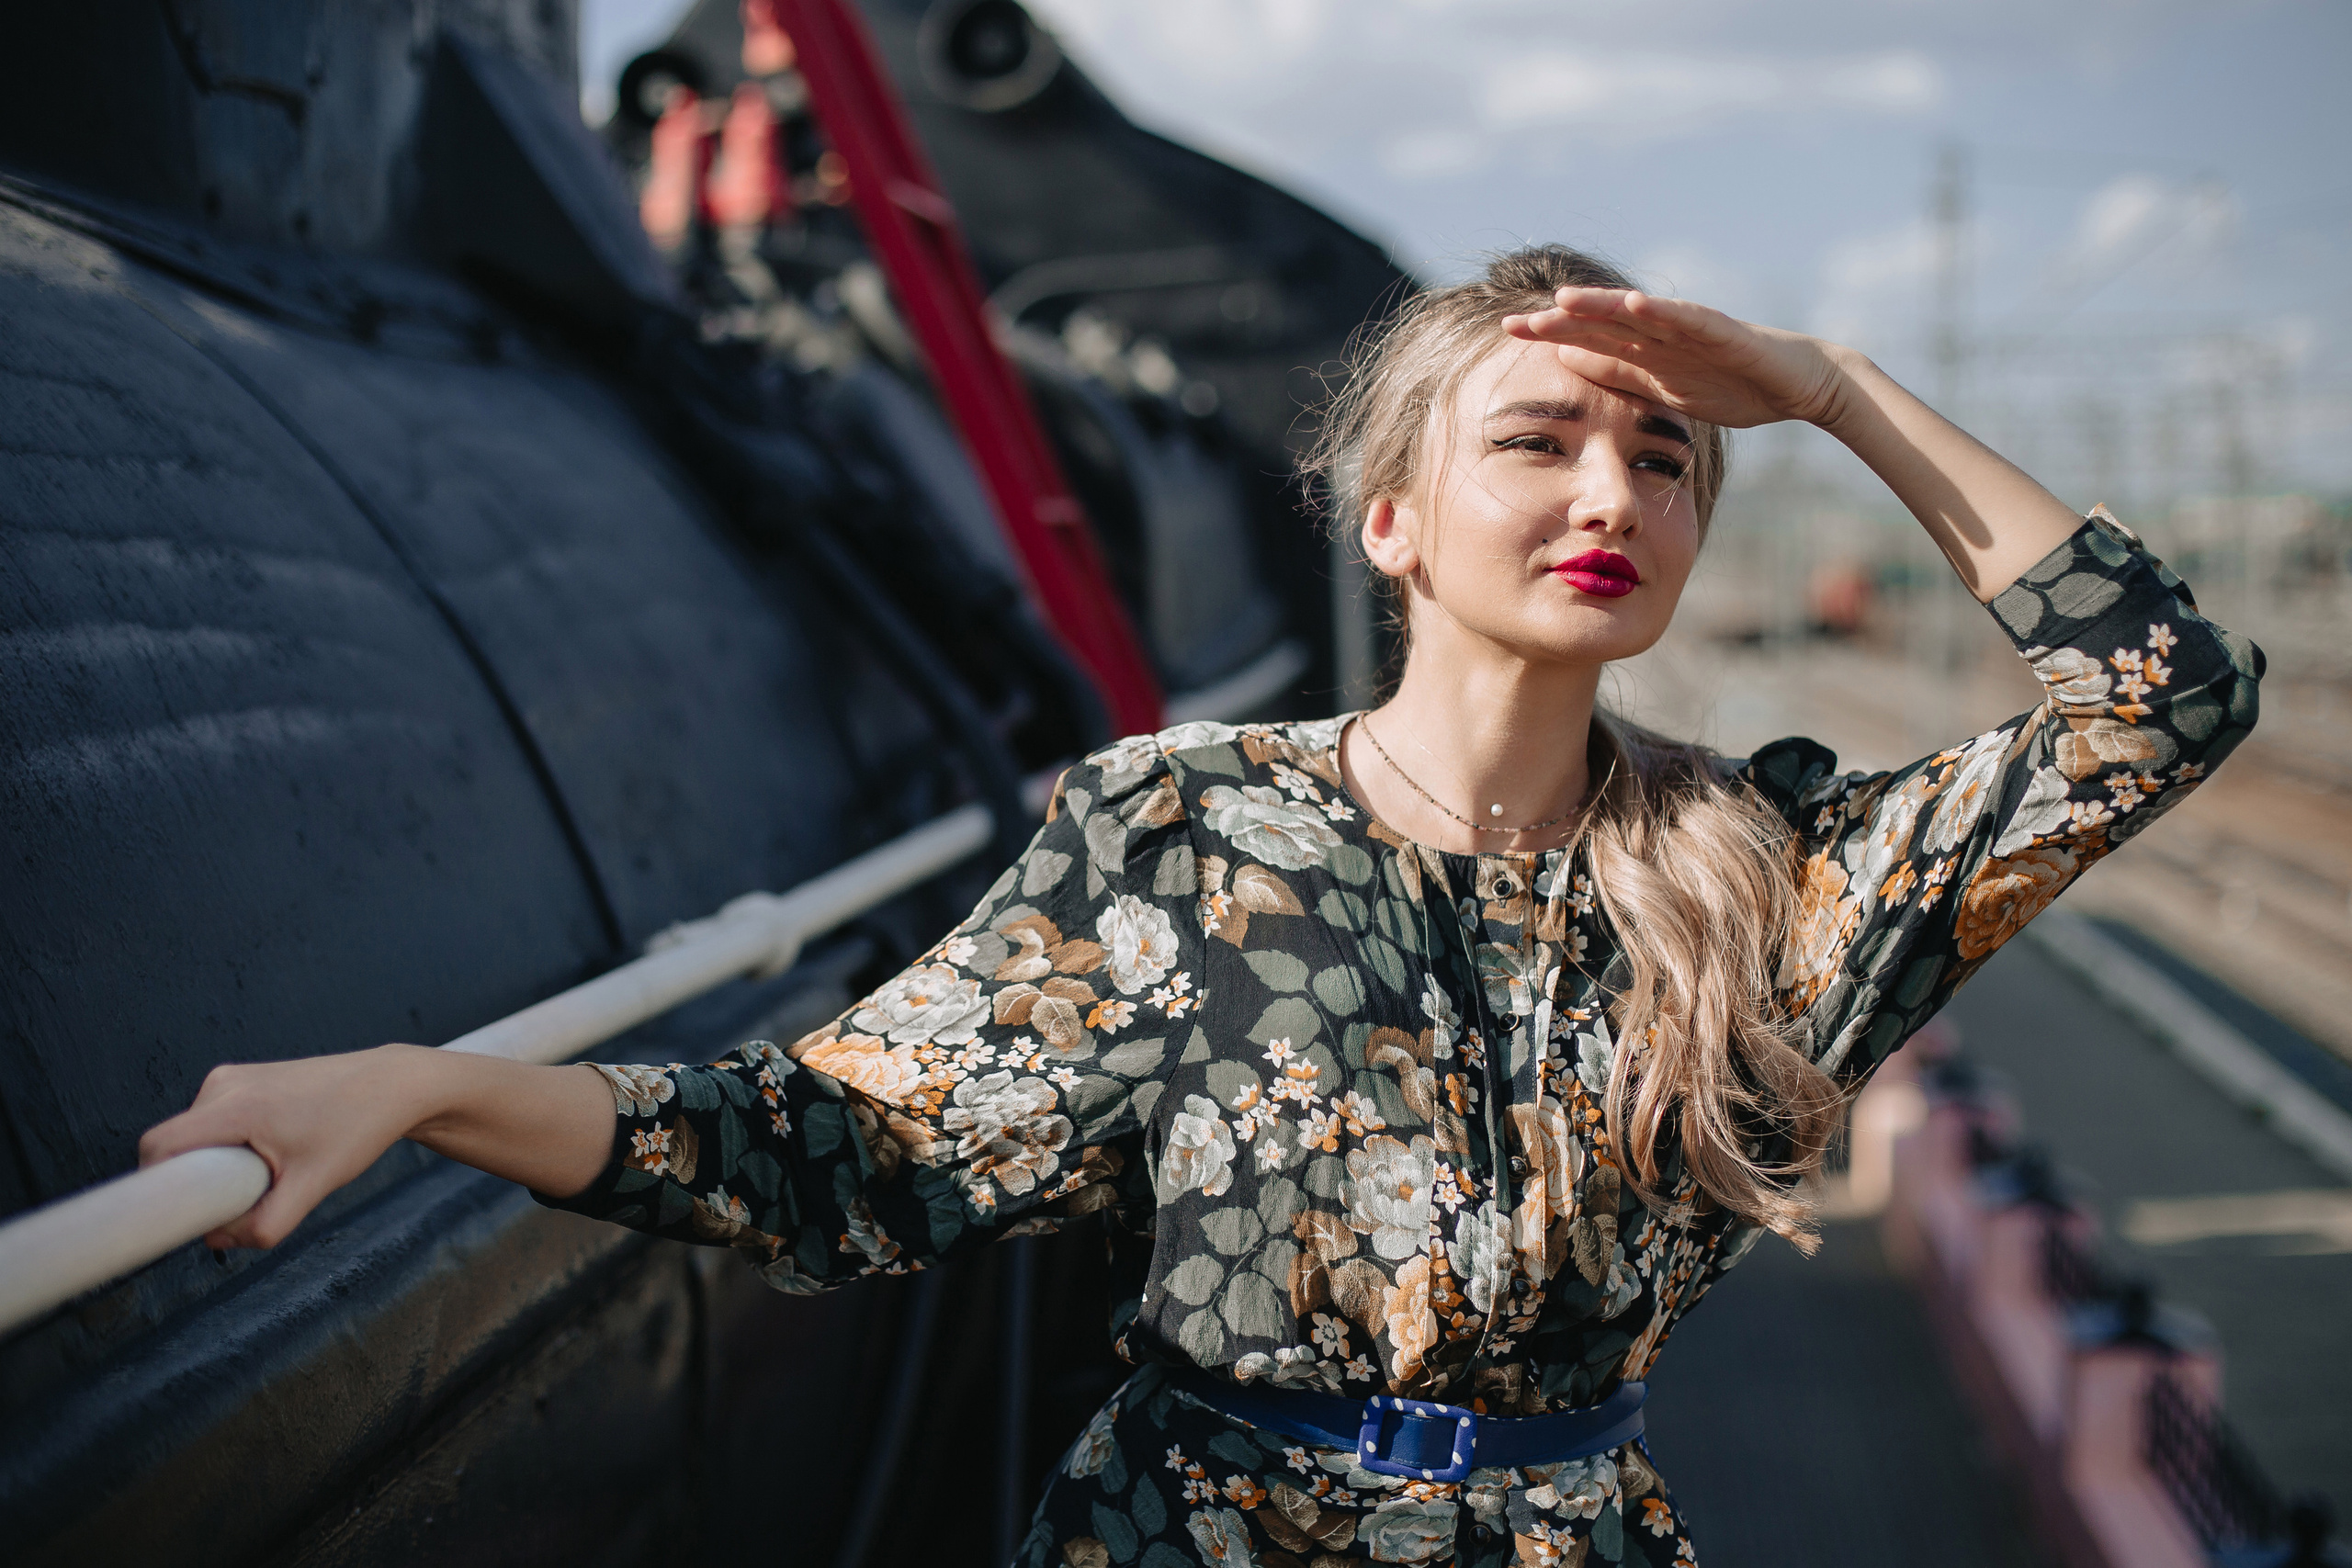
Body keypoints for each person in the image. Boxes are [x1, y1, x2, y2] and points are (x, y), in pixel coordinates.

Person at [140, 246, 2262, 1567]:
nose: (1612, 489)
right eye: (1539, 440)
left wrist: (1823, 387)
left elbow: (2159, 696)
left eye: (1668, 454)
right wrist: (431, 1089)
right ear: (1397, 522)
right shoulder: (1182, 826)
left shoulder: (1765, 873)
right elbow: (839, 1144)